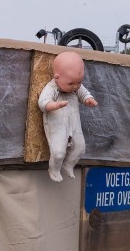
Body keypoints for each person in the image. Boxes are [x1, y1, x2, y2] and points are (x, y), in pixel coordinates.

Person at [37, 51, 97, 182]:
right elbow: (42, 103)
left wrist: (88, 100)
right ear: (57, 77)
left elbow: (84, 94)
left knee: (80, 148)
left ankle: (68, 165)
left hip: (74, 123)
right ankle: (54, 169)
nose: (75, 87)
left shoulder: (76, 86)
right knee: (58, 152)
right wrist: (55, 105)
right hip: (57, 124)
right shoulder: (52, 87)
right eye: (71, 84)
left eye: (79, 82)